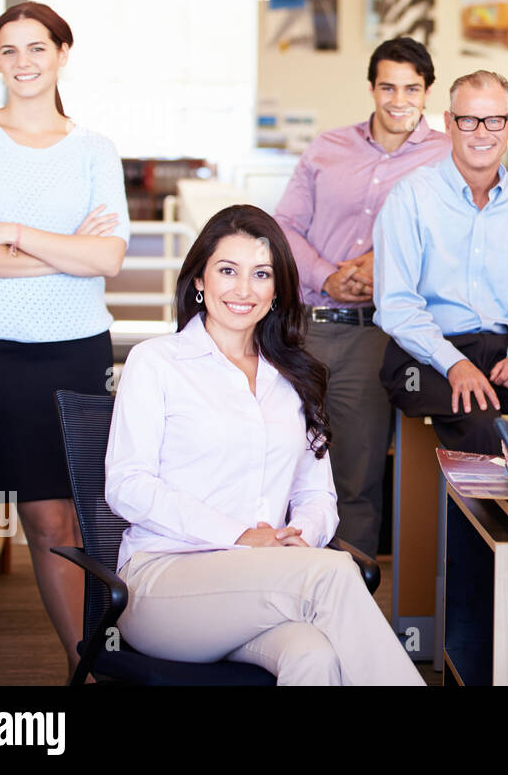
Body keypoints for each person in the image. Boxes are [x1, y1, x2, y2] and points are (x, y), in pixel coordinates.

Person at [105, 205, 422, 685]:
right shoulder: (157, 363)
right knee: (333, 572)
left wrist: (303, 535)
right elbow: (127, 486)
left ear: (277, 291)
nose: (242, 289)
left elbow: (317, 495)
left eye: (260, 275)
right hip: (163, 584)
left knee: (313, 655)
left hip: (269, 577)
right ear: (199, 281)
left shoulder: (295, 375)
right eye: (227, 271)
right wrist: (237, 535)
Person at [0, 1, 129, 676]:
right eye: (9, 50)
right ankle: (85, 665)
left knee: (91, 519)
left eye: (37, 47)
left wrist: (12, 232)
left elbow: (107, 260)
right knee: (46, 521)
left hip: (79, 348)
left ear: (63, 53)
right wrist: (63, 253)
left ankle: (110, 652)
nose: (24, 62)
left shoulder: (94, 148)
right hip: (1, 354)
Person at [274, 37, 449, 556]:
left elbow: (452, 236)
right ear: (372, 88)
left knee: (354, 476)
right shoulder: (328, 147)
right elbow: (284, 225)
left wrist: (385, 266)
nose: (399, 100)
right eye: (388, 87)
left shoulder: (445, 156)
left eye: (412, 88)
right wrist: (328, 275)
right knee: (276, 465)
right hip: (299, 327)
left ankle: (347, 606)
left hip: (373, 334)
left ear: (427, 92)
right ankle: (270, 594)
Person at [374, 70, 508, 456]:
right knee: (483, 421)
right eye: (468, 120)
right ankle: (493, 519)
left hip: (503, 352)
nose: (482, 133)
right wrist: (454, 364)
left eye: (494, 120)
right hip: (420, 360)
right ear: (449, 123)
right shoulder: (411, 197)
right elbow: (396, 305)